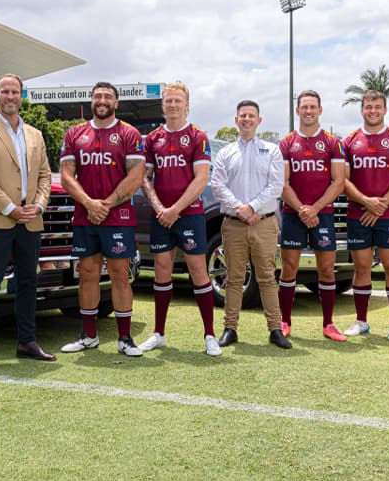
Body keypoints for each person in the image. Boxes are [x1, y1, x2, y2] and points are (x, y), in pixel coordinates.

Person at [0, 73, 57, 372]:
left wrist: (40, 205)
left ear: (21, 96)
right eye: (5, 91)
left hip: (30, 221)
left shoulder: (35, 135)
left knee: (29, 281)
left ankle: (27, 342)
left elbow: (45, 174)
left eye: (15, 92)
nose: (10, 96)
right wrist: (9, 208)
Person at [59, 82, 147, 357]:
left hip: (118, 216)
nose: (102, 100)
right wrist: (88, 203)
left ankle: (124, 338)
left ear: (116, 103)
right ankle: (89, 335)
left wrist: (106, 204)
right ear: (91, 101)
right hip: (86, 216)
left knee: (120, 274)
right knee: (87, 274)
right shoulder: (75, 133)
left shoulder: (129, 134)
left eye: (108, 96)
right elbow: (66, 175)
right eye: (98, 96)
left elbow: (135, 177)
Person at [138, 82, 221, 357]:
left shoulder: (198, 136)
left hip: (190, 215)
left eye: (177, 100)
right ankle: (158, 333)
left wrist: (175, 209)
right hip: (161, 215)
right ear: (162, 105)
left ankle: (209, 335)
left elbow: (201, 179)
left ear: (187, 105)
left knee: (198, 270)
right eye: (168, 101)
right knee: (162, 268)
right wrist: (161, 208)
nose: (173, 105)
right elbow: (145, 178)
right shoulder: (152, 139)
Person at [209, 99, 289, 348]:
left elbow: (276, 185)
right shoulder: (225, 153)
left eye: (251, 115)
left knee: (266, 277)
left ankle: (275, 329)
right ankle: (230, 328)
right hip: (233, 224)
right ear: (236, 120)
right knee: (233, 278)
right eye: (242, 115)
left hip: (264, 223)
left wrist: (252, 207)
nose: (246, 119)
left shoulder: (272, 150)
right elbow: (217, 186)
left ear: (259, 120)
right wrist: (241, 209)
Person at [342, 90, 389, 341]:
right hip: (358, 214)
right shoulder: (349, 141)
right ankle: (361, 320)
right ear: (362, 110)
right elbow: (342, 180)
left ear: (385, 110)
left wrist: (381, 205)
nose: (372, 111)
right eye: (368, 107)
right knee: (361, 267)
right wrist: (365, 202)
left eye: (377, 106)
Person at [277, 90, 348, 342]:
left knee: (327, 269)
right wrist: (302, 210)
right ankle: (284, 321)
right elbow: (282, 183)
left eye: (312, 107)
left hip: (323, 215)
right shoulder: (286, 143)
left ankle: (328, 325)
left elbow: (339, 182)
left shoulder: (333, 143)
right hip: (293, 214)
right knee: (289, 268)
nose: (308, 111)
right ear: (297, 111)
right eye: (304, 107)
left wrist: (314, 209)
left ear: (320, 110)